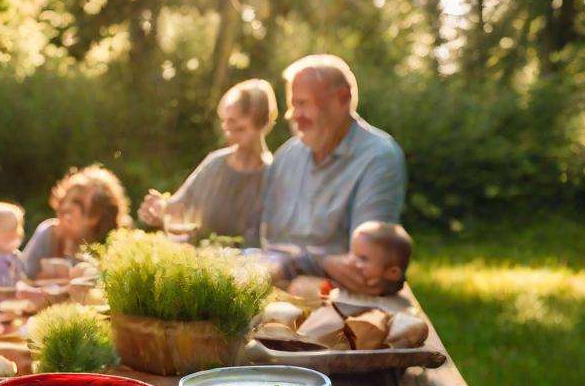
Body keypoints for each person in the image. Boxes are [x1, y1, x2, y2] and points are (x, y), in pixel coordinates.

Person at [260, 55, 407, 292]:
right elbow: (266, 241)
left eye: (303, 103)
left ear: (342, 98)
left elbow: (366, 269)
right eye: (292, 105)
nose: (293, 115)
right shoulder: (286, 156)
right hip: (270, 288)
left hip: (335, 299)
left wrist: (299, 263)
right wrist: (321, 261)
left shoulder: (379, 156)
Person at [138, 79, 277, 245]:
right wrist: (160, 209)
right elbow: (179, 207)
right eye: (227, 128)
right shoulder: (215, 165)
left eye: (240, 129)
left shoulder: (275, 176)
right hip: (205, 266)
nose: (231, 137)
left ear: (261, 125)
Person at [22, 165, 132, 279]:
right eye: (64, 199)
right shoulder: (48, 233)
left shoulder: (110, 248)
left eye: (77, 202)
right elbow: (21, 277)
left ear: (95, 217)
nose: (65, 207)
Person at [283, 221, 413, 297]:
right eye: (351, 253)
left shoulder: (391, 293)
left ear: (392, 273)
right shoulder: (344, 273)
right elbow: (302, 264)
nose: (351, 261)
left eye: (363, 258)